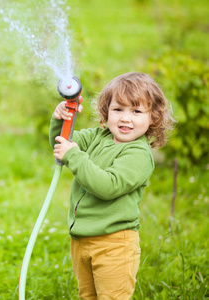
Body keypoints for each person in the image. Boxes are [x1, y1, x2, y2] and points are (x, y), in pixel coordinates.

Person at [49, 72, 174, 299]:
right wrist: (61, 120)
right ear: (106, 111)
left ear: (153, 117)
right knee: (88, 296)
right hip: (81, 240)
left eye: (136, 111)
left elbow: (108, 186)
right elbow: (62, 144)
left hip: (114, 244)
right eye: (118, 109)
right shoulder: (99, 136)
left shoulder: (138, 154)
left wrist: (75, 156)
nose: (126, 118)